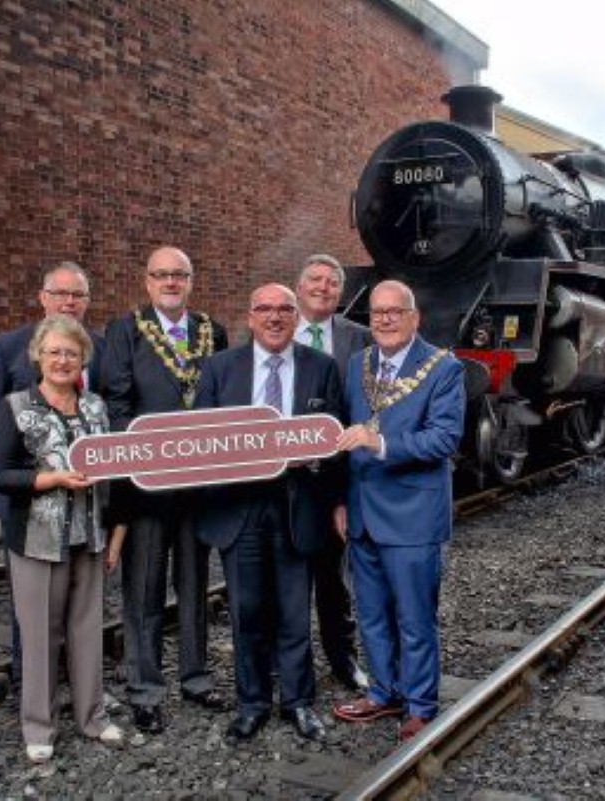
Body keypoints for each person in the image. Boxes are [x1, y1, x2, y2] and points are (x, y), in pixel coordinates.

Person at [194, 283, 345, 742]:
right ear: (250, 317)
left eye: (284, 309)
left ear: (297, 317)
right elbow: (200, 440)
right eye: (265, 309)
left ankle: (299, 703)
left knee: (296, 613)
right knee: (247, 612)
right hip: (239, 508)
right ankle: (252, 703)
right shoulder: (220, 369)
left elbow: (335, 442)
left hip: (298, 506)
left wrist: (321, 470)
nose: (275, 317)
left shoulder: (322, 368)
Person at [331, 280, 465, 743]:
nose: (384, 320)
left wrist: (381, 441)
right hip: (364, 513)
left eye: (394, 312)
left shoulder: (443, 368)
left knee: (413, 616)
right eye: (377, 313)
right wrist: (343, 500)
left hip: (412, 517)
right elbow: (346, 444)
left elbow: (445, 439)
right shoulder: (357, 364)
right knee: (369, 613)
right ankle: (384, 691)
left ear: (414, 317)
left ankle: (421, 705)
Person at [101, 246, 228, 734]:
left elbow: (218, 400)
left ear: (191, 281)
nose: (171, 282)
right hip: (148, 488)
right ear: (147, 282)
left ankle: (196, 679)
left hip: (198, 488)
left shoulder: (210, 332)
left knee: (195, 588)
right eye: (162, 275)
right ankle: (145, 689)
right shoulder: (125, 331)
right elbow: (117, 404)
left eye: (180, 275)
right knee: (145, 591)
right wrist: (153, 453)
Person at [0, 314, 124, 763]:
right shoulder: (15, 407)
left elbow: (112, 475)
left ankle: (93, 717)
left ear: (83, 358)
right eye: (54, 352)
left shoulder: (96, 408)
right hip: (36, 540)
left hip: (90, 536)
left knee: (87, 632)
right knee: (41, 637)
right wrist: (53, 479)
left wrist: (116, 534)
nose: (63, 360)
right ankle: (38, 727)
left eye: (71, 352)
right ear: (38, 357)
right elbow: (0, 475)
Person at [0, 261, 104, 685]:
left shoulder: (102, 346)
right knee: (31, 607)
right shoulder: (8, 347)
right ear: (43, 297)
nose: (69, 301)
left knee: (80, 603)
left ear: (87, 302)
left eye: (78, 295)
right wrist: (41, 474)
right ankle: (31, 687)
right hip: (29, 503)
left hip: (87, 505)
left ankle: (78, 685)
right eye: (61, 293)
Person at [293, 254, 372, 692]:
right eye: (314, 279)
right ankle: (293, 667)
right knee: (287, 583)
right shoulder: (278, 331)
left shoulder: (359, 340)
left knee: (334, 580)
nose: (323, 287)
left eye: (331, 282)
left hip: (336, 479)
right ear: (300, 286)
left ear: (340, 292)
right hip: (286, 481)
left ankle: (344, 659)